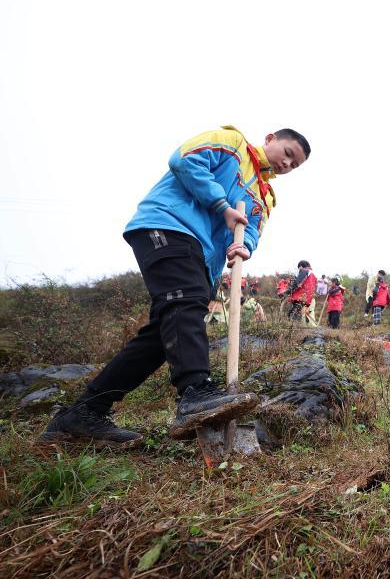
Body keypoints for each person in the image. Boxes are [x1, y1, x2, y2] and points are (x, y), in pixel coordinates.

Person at [39, 126, 310, 448]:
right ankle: (196, 391)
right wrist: (222, 206)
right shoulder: (232, 144)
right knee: (186, 303)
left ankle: (83, 414)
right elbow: (184, 160)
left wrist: (245, 246)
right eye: (288, 154)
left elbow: (252, 227)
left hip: (202, 255)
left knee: (161, 336)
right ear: (270, 139)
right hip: (169, 225)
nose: (287, 165)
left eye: (294, 166)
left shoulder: (264, 194)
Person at [288, 260, 317, 325]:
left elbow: (297, 283)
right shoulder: (313, 275)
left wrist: (288, 291)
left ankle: (296, 333)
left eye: (299, 268)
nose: (299, 271)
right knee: (309, 318)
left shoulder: (305, 271)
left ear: (301, 266)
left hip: (300, 298)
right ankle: (312, 332)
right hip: (310, 299)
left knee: (295, 318)